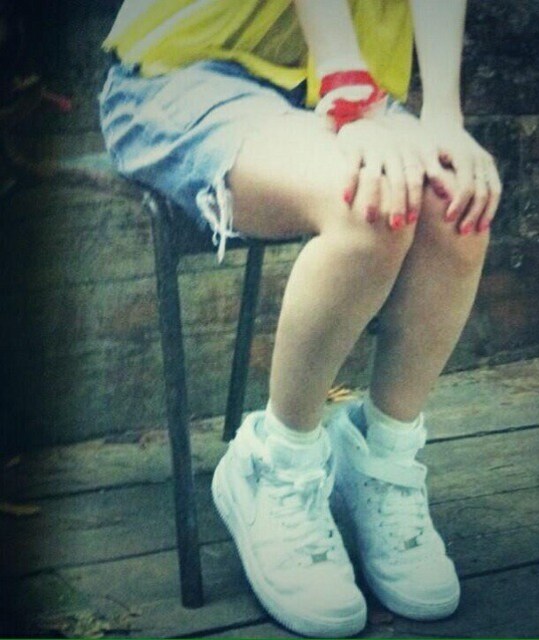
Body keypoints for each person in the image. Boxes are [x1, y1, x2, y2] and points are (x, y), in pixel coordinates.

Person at [99, 1, 501, 636]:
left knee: (457, 210)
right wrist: (349, 96)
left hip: (333, 87)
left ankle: (383, 462)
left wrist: (444, 118)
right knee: (370, 201)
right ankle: (276, 465)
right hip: (187, 73)